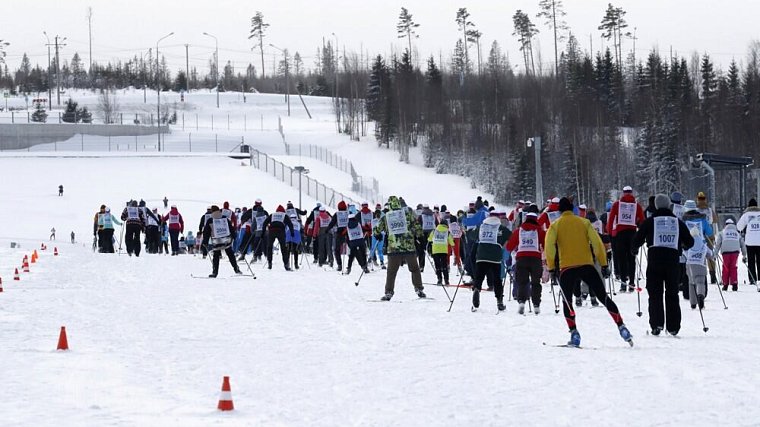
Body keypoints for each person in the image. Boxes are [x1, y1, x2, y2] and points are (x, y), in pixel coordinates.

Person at [546, 197, 632, 347]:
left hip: (567, 268)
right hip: (587, 265)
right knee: (603, 297)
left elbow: (550, 248)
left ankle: (574, 333)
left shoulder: (555, 225)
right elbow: (597, 243)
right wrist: (604, 264)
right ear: (572, 208)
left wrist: (552, 267)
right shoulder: (584, 222)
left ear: (559, 211)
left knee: (567, 301)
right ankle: (621, 326)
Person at [632, 194, 694, 336]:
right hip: (673, 261)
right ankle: (673, 327)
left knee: (655, 293)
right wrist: (683, 246)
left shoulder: (651, 221)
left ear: (656, 205)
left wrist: (634, 248)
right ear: (668, 205)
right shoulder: (677, 222)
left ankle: (657, 324)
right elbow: (690, 241)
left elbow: (637, 239)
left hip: (655, 260)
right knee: (672, 293)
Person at [373, 196, 426, 301]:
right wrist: (420, 237)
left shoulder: (386, 216)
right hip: (409, 248)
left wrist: (377, 234)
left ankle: (389, 292)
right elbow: (417, 227)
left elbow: (376, 230)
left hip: (394, 249)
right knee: (415, 269)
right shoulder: (408, 214)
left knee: (391, 272)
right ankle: (419, 288)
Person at [505, 208, 545, 315]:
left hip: (521, 258)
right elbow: (545, 244)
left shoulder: (519, 230)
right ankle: (536, 304)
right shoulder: (540, 231)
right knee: (536, 282)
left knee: (522, 281)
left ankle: (522, 302)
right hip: (535, 258)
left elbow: (509, 246)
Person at [607, 186, 646, 292]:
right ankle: (632, 282)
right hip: (632, 233)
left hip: (620, 234)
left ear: (623, 193)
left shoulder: (617, 205)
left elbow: (611, 220)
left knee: (622, 259)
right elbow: (642, 220)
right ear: (632, 193)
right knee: (631, 258)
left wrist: (610, 233)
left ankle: (623, 283)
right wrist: (642, 234)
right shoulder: (636, 205)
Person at [470, 212, 511, 311]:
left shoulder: (482, 226)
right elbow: (510, 236)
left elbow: (472, 235)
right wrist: (502, 246)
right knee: (497, 279)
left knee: (479, 277)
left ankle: (476, 289)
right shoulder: (501, 228)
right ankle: (499, 301)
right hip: (495, 257)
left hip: (481, 256)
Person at [681, 200, 714, 300]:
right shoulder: (702, 219)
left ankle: (687, 293)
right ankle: (702, 292)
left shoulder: (683, 220)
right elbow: (709, 232)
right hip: (701, 247)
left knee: (688, 270)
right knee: (701, 270)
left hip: (687, 246)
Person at [201, 205, 242, 277]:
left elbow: (206, 233)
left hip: (216, 241)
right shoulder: (225, 218)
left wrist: (205, 242)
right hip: (226, 240)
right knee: (230, 254)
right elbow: (231, 228)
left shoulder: (210, 220)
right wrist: (234, 236)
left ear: (212, 211)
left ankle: (215, 272)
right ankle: (236, 269)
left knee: (216, 256)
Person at [715, 218, 746, 291]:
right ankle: (734, 284)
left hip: (725, 252)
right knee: (733, 267)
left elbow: (718, 244)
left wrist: (715, 254)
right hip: (735, 252)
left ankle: (725, 284)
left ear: (725, 225)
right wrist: (744, 255)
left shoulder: (722, 233)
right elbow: (742, 244)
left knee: (726, 267)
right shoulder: (737, 233)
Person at [696, 191, 720, 283]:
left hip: (699, 235)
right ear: (705, 199)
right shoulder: (710, 210)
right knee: (710, 255)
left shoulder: (695, 210)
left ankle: (701, 275)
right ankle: (712, 274)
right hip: (709, 235)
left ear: (697, 199)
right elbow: (715, 220)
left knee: (700, 255)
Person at [736, 198, 760, 285]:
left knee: (751, 261)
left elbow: (739, 227)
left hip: (750, 241)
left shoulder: (746, 215)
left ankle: (752, 279)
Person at [262, 205, 294, 270]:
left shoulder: (272, 215)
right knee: (283, 248)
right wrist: (292, 232)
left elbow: (265, 223)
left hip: (271, 231)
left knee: (269, 247)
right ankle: (286, 264)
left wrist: (263, 233)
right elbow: (290, 224)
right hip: (281, 231)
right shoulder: (284, 215)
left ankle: (269, 263)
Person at [427, 220, 455, 285]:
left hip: (435, 251)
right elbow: (452, 242)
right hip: (443, 251)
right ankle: (446, 280)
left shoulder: (434, 231)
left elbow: (429, 239)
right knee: (444, 265)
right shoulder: (447, 232)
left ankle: (439, 279)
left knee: (437, 266)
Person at [345, 206, 370, 275]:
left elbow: (346, 235)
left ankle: (349, 268)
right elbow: (363, 229)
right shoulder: (358, 223)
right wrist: (368, 229)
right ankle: (365, 267)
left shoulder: (347, 225)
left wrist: (349, 243)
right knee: (363, 253)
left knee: (351, 255)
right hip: (360, 240)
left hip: (353, 241)